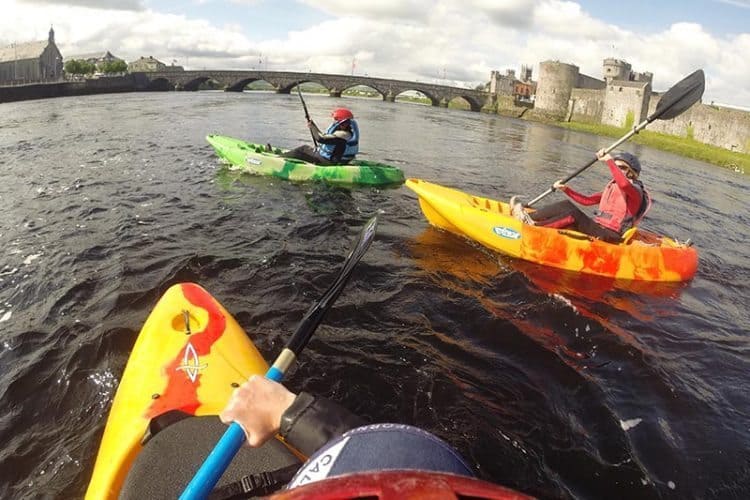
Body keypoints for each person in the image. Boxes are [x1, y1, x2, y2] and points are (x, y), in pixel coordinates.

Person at [512, 149, 651, 243]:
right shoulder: (613, 187)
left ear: (631, 173)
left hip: (612, 236)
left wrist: (609, 161)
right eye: (617, 166)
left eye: (621, 167)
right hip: (599, 227)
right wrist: (566, 189)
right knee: (566, 205)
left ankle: (534, 227)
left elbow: (625, 185)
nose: (617, 169)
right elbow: (587, 201)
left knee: (574, 215)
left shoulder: (635, 191)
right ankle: (529, 217)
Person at [280, 107, 360, 165]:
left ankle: (279, 159)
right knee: (306, 148)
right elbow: (324, 136)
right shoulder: (349, 133)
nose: (335, 122)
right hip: (342, 160)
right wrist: (313, 125)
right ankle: (284, 155)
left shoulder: (343, 134)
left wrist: (312, 127)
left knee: (299, 152)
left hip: (326, 161)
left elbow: (320, 139)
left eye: (336, 120)